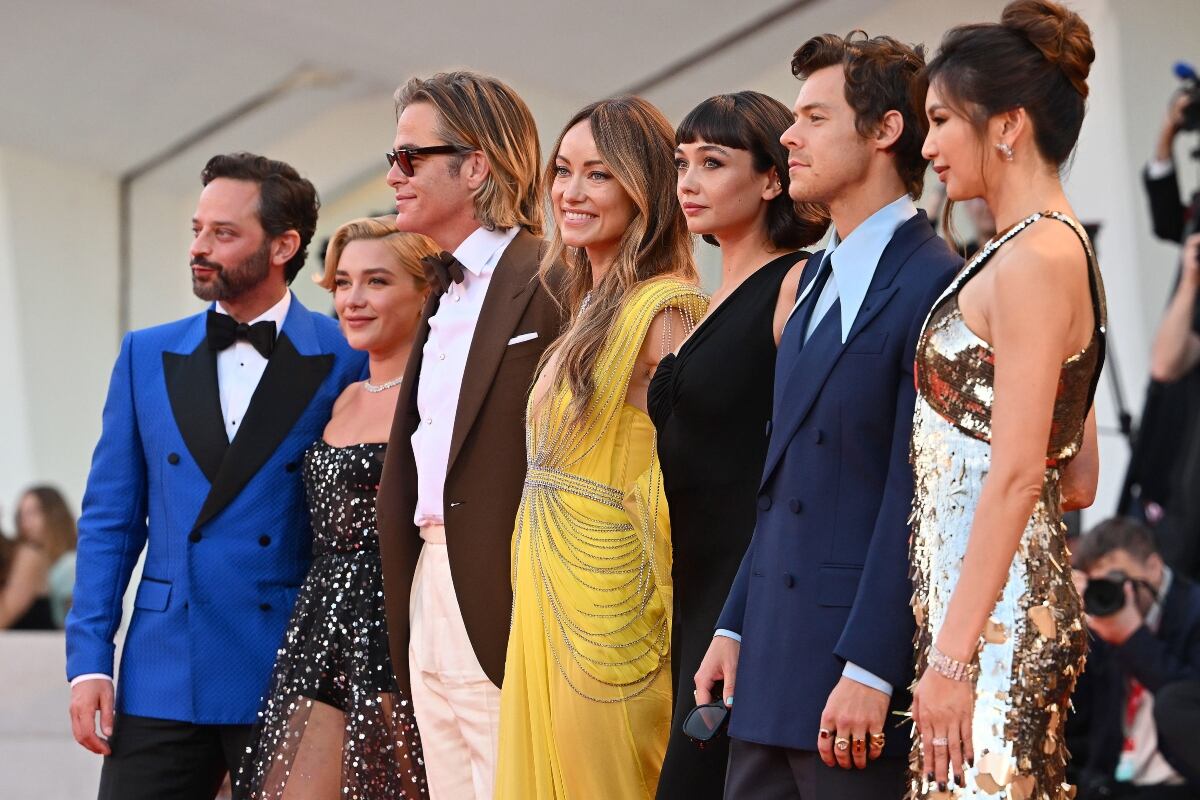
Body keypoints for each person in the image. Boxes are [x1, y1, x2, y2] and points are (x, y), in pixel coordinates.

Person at [695, 30, 960, 799]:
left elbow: (915, 493)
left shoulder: (936, 282)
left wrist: (874, 664)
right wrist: (734, 624)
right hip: (769, 670)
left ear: (885, 131)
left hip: (854, 683)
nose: (788, 135)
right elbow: (783, 475)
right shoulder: (810, 281)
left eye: (814, 118)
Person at [66, 152, 366, 800]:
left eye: (223, 234)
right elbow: (111, 521)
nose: (200, 249)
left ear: (284, 245)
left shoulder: (345, 356)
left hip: (288, 663)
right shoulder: (146, 353)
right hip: (163, 665)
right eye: (198, 230)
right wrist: (88, 660)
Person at [907, 1, 1106, 796]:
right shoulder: (1051, 246)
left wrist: (954, 657)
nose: (927, 147)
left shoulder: (1034, 259)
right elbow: (1078, 472)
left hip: (989, 632)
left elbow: (1024, 471)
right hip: (988, 615)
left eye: (940, 120)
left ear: (1007, 125)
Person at [494, 94, 706, 800]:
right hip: (547, 593)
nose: (570, 192)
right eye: (563, 170)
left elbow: (685, 469)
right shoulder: (587, 303)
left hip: (612, 607)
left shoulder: (665, 307)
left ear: (644, 188)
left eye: (598, 174)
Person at [374, 71, 564, 800]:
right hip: (428, 575)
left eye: (410, 158)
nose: (393, 175)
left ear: (476, 165)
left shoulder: (551, 275)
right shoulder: (441, 287)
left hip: (506, 584)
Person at [649, 90, 829, 800]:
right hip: (692, 594)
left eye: (713, 163)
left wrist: (751, 615)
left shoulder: (797, 283)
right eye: (681, 163)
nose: (688, 181)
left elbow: (805, 456)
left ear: (771, 179)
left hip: (750, 593)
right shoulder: (704, 300)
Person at [238, 217, 436, 799]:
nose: (352, 299)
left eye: (376, 282)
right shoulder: (345, 395)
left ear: (426, 292)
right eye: (343, 283)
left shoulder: (437, 397)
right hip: (320, 626)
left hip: (397, 626)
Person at [1071, 517, 1199, 799]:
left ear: (1153, 567)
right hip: (1116, 780)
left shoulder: (1193, 612)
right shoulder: (1101, 613)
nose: (1112, 593)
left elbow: (1186, 706)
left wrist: (1131, 638)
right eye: (1099, 584)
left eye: (1117, 580)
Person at [0, 486, 77, 630]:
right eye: (21, 515)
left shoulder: (69, 565)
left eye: (33, 513)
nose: (25, 522)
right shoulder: (28, 558)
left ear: (55, 514)